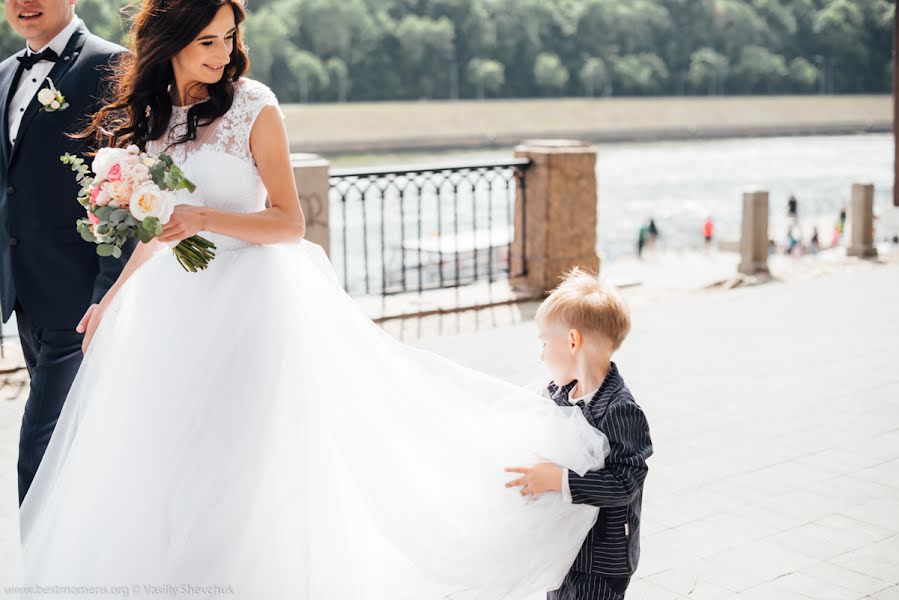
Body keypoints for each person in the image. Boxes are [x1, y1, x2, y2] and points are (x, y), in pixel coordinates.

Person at [13, 1, 611, 597]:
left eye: (229, 38)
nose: (224, 55)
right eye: (207, 43)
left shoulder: (255, 104)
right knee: (173, 458)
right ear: (171, 44)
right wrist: (111, 299)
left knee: (238, 455)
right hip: (174, 306)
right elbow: (153, 230)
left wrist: (204, 216)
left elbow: (289, 222)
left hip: (250, 303)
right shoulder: (153, 115)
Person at [0, 0, 135, 506]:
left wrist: (107, 293)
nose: (23, 2)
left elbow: (124, 188)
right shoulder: (5, 74)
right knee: (70, 442)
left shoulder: (112, 67)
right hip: (24, 296)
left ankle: (38, 576)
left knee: (37, 447)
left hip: (80, 301)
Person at [505, 269, 653, 600]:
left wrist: (559, 480)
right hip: (564, 548)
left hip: (600, 559)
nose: (540, 353)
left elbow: (625, 482)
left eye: (544, 342)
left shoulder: (619, 409)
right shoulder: (561, 394)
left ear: (572, 342)